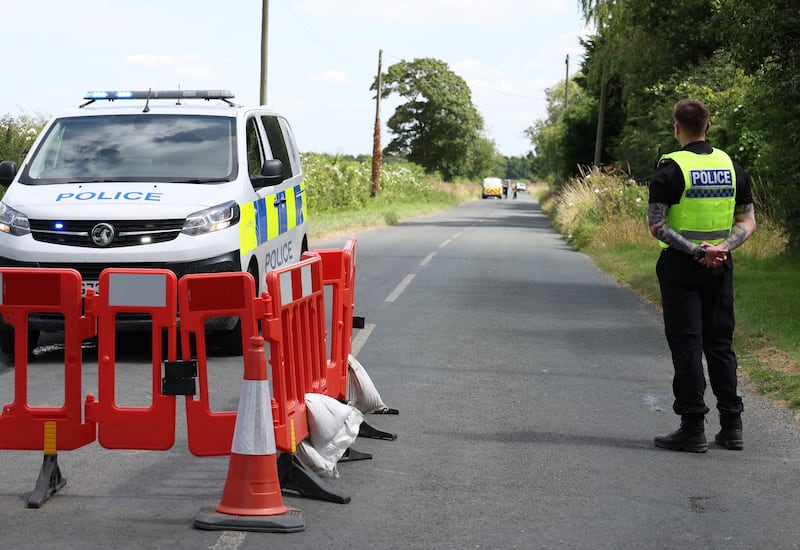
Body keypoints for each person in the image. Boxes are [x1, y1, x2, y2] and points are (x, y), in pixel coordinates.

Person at [648, 99, 757, 453]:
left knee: (688, 344)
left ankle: (693, 426)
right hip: (721, 266)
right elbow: (748, 221)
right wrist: (721, 248)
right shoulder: (731, 166)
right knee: (720, 345)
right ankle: (732, 426)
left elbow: (657, 226)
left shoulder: (669, 170)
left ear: (676, 127)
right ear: (708, 127)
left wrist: (697, 251)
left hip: (682, 267)